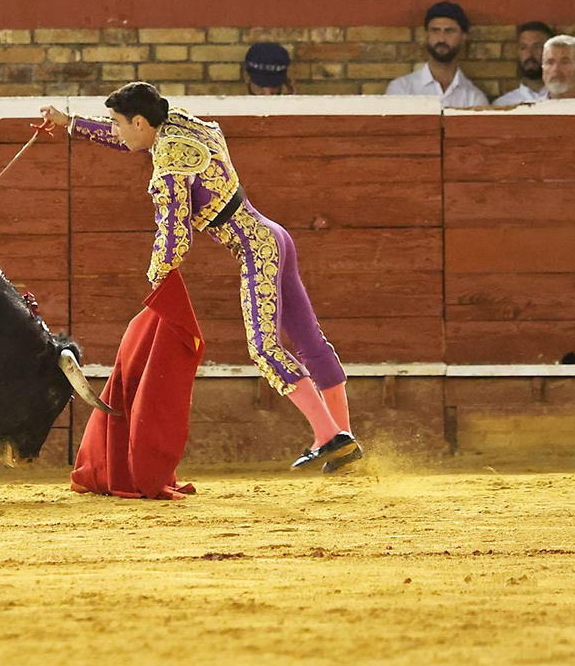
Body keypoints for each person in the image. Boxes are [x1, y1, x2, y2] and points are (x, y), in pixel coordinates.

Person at [44, 84, 362, 473]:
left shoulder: (170, 159)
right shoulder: (175, 122)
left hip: (255, 248)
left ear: (141, 122)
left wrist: (157, 273)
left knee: (264, 348)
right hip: (273, 235)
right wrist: (71, 124)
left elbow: (176, 234)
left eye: (119, 122)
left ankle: (331, 437)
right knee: (310, 341)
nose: (117, 130)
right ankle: (342, 438)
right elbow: (127, 137)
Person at [385, 1, 489, 107]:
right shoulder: (402, 89)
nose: (441, 39)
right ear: (426, 35)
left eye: (449, 31)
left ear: (463, 37)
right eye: (435, 30)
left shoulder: (474, 98)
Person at [493, 20, 555, 105]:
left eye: (536, 47)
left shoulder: (567, 101)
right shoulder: (503, 105)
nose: (529, 54)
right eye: (523, 48)